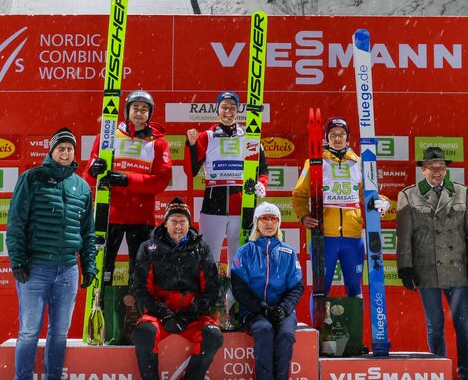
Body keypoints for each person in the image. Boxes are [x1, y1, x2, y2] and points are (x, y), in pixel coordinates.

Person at [6, 127, 96, 380]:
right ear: (52, 151)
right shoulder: (32, 178)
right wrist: (18, 261)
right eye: (61, 148)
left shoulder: (81, 186)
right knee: (28, 331)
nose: (65, 153)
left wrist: (88, 265)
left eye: (70, 149)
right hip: (36, 268)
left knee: (59, 333)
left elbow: (88, 232)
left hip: (67, 270)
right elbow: (16, 223)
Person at [396, 146, 468, 380]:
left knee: (465, 329)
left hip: (458, 271)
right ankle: (439, 373)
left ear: (446, 169)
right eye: (432, 168)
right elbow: (404, 238)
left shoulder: (463, 193)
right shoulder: (408, 195)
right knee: (435, 327)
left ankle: (465, 375)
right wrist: (405, 268)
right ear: (423, 170)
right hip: (427, 271)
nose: (437, 172)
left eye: (441, 167)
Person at [291, 116, 390, 298]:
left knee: (354, 288)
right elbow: (299, 194)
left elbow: (367, 194)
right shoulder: (315, 162)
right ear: (326, 137)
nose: (337, 138)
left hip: (353, 235)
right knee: (321, 290)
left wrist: (382, 201)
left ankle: (353, 326)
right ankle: (320, 326)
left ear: (348, 137)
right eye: (333, 134)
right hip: (325, 235)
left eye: (342, 134)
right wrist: (304, 215)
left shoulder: (359, 163)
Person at [85, 89, 172, 283]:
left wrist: (127, 180)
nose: (139, 113)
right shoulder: (107, 136)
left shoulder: (158, 143)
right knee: (103, 267)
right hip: (110, 214)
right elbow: (88, 179)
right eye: (135, 108)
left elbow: (161, 180)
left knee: (141, 271)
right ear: (127, 111)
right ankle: (101, 305)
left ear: (150, 113)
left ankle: (139, 311)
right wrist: (93, 171)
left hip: (141, 216)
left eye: (144, 109)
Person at [131, 198, 224, 380]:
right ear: (165, 223)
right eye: (174, 221)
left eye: (183, 221)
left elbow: (211, 287)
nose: (178, 226)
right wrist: (165, 314)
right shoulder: (149, 248)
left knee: (213, 336)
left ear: (190, 224)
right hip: (159, 315)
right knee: (143, 334)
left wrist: (190, 314)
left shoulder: (201, 248)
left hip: (193, 315)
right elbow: (141, 288)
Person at [184, 90, 269, 268]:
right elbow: (190, 170)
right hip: (213, 204)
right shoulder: (205, 137)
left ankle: (234, 295)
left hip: (242, 203)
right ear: (217, 110)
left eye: (232, 107)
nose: (228, 111)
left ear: (238, 111)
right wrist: (191, 146)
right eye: (224, 107)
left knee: (238, 258)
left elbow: (262, 168)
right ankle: (209, 294)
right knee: (208, 256)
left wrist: (262, 183)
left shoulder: (250, 136)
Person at [231, 202, 305, 380]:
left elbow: (297, 287)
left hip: (283, 311)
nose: (269, 223)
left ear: (279, 222)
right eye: (264, 218)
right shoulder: (244, 252)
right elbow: (239, 289)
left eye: (273, 219)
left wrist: (283, 309)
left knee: (286, 335)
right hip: (254, 311)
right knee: (264, 330)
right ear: (257, 222)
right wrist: (263, 308)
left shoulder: (289, 252)